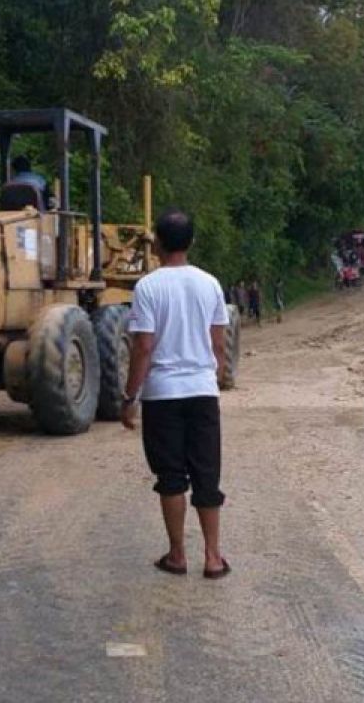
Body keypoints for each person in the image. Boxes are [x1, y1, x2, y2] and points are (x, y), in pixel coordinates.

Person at [122, 208, 231, 580]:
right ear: (191, 243)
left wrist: (129, 397)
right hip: (202, 392)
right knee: (206, 475)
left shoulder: (148, 287)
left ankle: (177, 555)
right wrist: (215, 378)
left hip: (162, 395)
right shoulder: (210, 284)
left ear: (157, 244)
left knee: (170, 476)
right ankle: (213, 558)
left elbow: (143, 347)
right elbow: (219, 344)